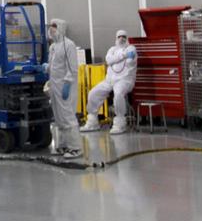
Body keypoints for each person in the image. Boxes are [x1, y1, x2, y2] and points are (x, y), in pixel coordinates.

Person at [84, 30, 137, 135]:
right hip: (109, 80)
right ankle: (92, 121)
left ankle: (120, 122)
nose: (121, 38)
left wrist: (124, 57)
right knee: (93, 93)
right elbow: (109, 61)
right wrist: (124, 56)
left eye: (123, 36)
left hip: (125, 80)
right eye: (119, 36)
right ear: (116, 38)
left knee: (118, 94)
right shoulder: (112, 49)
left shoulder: (131, 48)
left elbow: (130, 61)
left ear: (127, 38)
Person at [45, 19, 82, 158]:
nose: (51, 29)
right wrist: (44, 67)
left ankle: (75, 148)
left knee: (67, 117)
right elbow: (52, 65)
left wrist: (67, 84)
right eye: (51, 26)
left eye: (55, 26)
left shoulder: (69, 45)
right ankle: (62, 146)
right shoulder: (53, 47)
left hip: (65, 87)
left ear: (61, 28)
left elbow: (72, 68)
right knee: (58, 118)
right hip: (54, 86)